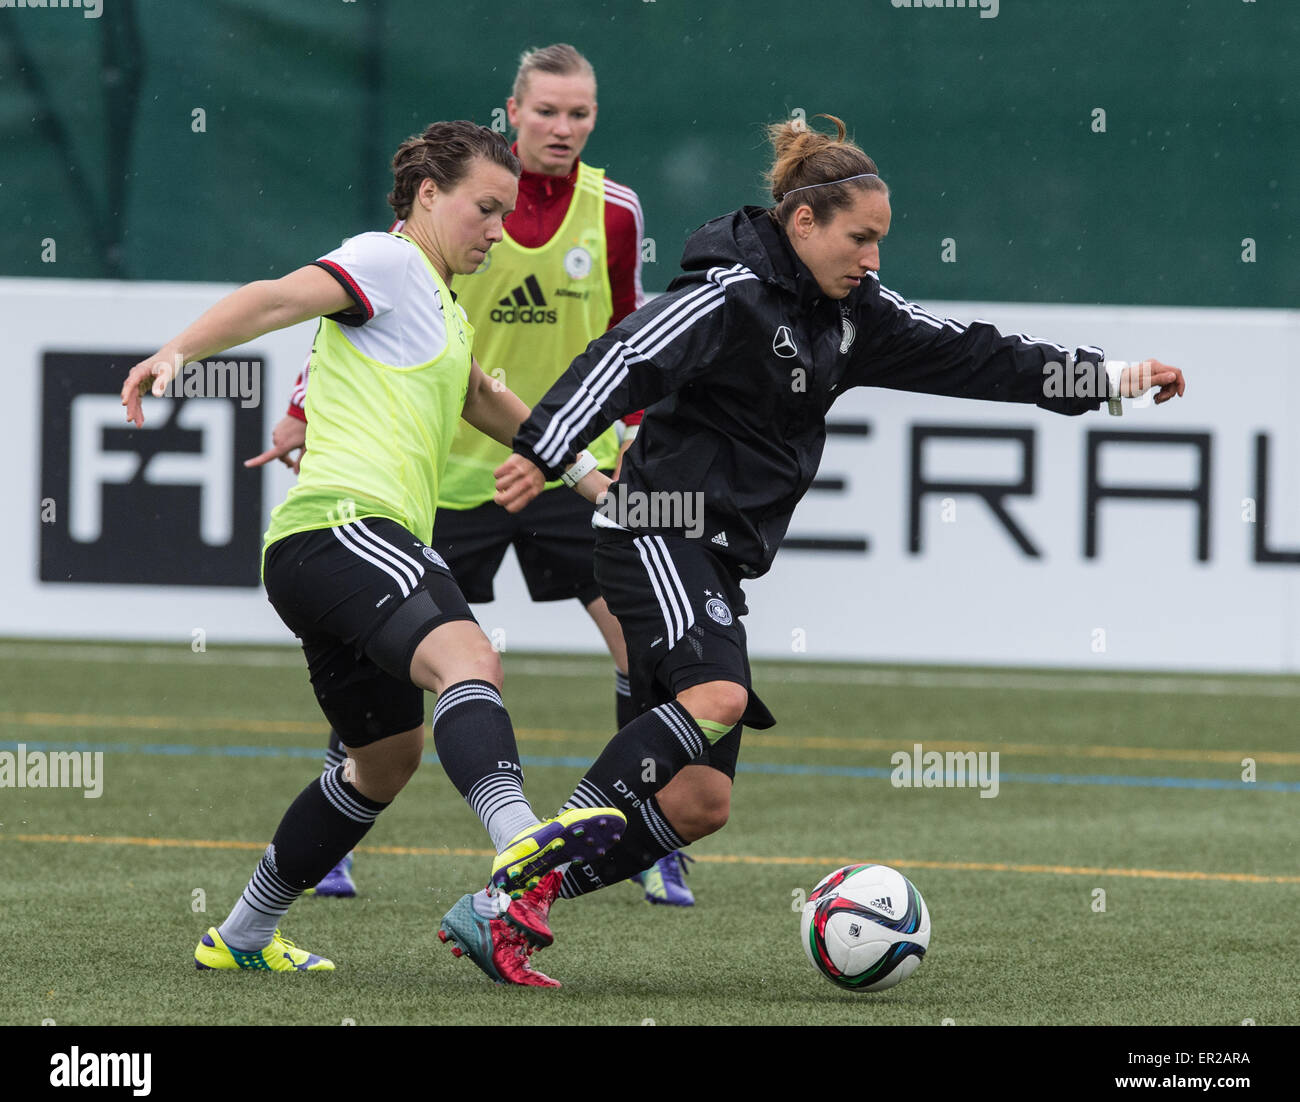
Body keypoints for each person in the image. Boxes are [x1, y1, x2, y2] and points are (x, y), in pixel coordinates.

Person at [449, 113, 1186, 982]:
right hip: (658, 529)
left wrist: (1106, 382)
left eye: (880, 241)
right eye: (859, 238)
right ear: (804, 224)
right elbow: (624, 358)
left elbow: (981, 358)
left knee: (698, 802)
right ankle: (523, 873)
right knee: (719, 692)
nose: (872, 257)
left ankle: (496, 910)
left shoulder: (855, 316)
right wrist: (544, 449)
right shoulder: (726, 297)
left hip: (715, 556)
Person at [120, 121, 625, 988]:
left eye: (506, 215)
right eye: (485, 210)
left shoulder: (437, 299)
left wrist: (588, 478)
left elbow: (483, 400)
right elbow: (277, 297)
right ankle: (519, 840)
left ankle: (242, 933)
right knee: (469, 657)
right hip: (348, 528)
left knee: (383, 761)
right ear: (430, 196)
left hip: (322, 553)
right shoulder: (388, 262)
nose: (497, 231)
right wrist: (179, 351)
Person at [248, 44, 700, 910]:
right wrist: (301, 402)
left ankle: (645, 831)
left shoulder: (611, 211)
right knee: (399, 642)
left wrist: (613, 449)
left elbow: (630, 325)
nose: (563, 128)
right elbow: (346, 313)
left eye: (580, 114)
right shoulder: (440, 223)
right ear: (513, 113)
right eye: (547, 112)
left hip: (562, 455)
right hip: (448, 476)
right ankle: (363, 827)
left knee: (637, 642)